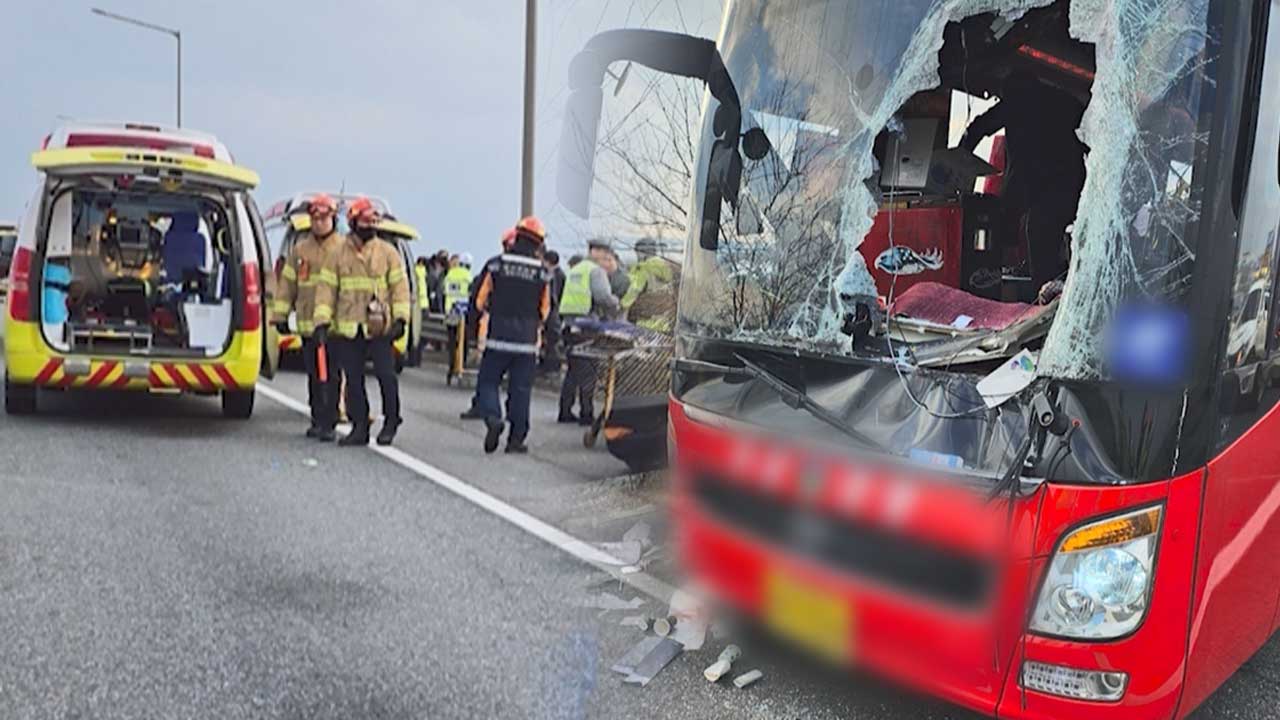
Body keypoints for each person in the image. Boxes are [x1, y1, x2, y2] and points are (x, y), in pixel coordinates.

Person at [958, 71, 1087, 299]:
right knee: (1065, 237)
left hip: (1045, 187)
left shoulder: (1018, 101)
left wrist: (958, 160)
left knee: (1039, 233)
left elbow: (979, 126)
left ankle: (1046, 301)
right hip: (1076, 184)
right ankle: (1068, 287)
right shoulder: (1065, 101)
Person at [313, 197, 412, 447]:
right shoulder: (337, 254)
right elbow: (326, 289)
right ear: (353, 222)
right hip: (348, 327)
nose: (371, 226)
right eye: (366, 221)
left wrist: (401, 319)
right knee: (353, 379)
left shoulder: (387, 253)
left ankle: (391, 421)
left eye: (373, 222)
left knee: (385, 376)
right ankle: (359, 426)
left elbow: (400, 288)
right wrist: (322, 322)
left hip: (380, 327)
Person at [473, 216, 551, 454]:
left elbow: (479, 301)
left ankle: (493, 418)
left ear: (516, 235)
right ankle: (516, 439)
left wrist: (489, 313)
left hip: (498, 337)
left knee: (487, 382)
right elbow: (545, 310)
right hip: (526, 342)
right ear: (539, 243)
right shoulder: (542, 273)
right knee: (520, 390)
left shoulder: (497, 264)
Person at [271, 194, 343, 441]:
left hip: (334, 325)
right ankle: (316, 418)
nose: (319, 223)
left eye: (324, 218)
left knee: (331, 374)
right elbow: (288, 284)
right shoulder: (301, 249)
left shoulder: (342, 249)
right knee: (313, 373)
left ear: (333, 218)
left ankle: (330, 420)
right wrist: (280, 315)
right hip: (307, 323)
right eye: (315, 218)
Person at [557, 238, 620, 425]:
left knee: (573, 370)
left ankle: (565, 410)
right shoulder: (595, 271)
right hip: (586, 327)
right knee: (588, 372)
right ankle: (587, 414)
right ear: (596, 252)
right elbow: (603, 297)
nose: (606, 259)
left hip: (569, 326)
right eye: (605, 254)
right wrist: (616, 303)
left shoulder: (576, 269)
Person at [538, 250, 566, 375]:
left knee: (551, 340)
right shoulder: (560, 274)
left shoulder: (554, 276)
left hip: (553, 312)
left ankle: (550, 366)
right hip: (555, 311)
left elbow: (554, 296)